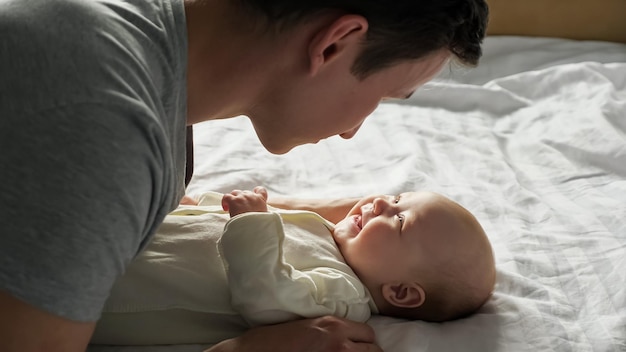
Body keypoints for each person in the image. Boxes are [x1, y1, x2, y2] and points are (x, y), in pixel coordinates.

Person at [0, 0, 489, 351]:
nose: (352, 132)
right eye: (382, 98)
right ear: (336, 43)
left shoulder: (136, 51)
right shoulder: (104, 128)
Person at [90, 187, 496, 346]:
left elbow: (267, 298)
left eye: (401, 220)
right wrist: (211, 203)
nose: (383, 203)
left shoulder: (343, 294)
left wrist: (251, 222)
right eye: (398, 197)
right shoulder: (328, 233)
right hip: (128, 239)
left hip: (120, 293)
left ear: (401, 292)